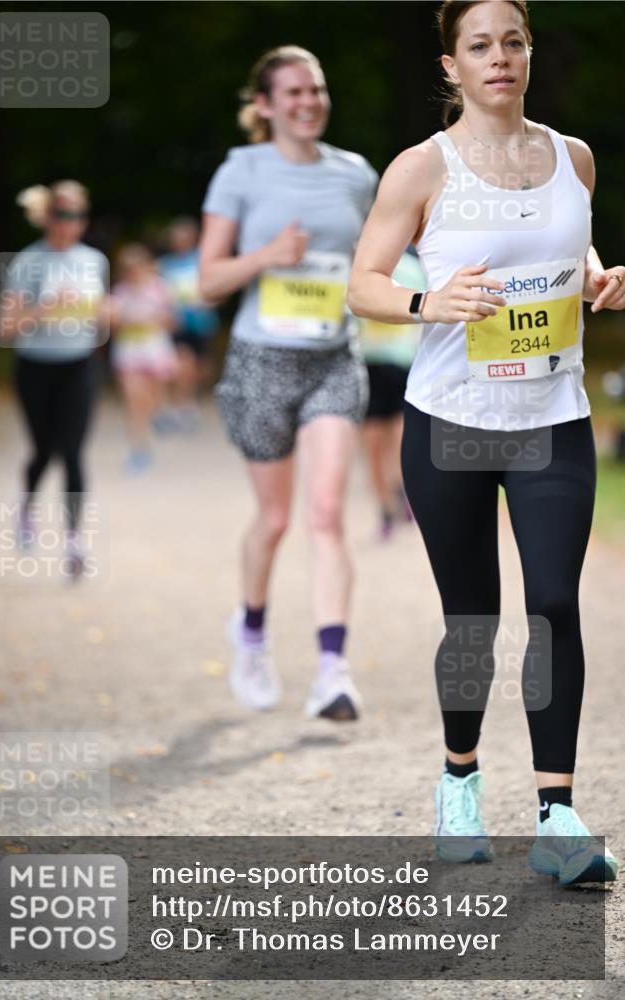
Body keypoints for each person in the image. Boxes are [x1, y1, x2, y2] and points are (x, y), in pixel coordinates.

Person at [348, 0, 623, 882]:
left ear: (528, 53)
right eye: (479, 45)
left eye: (513, 41)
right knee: (471, 616)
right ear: (451, 66)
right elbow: (363, 284)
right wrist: (430, 303)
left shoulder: (572, 157)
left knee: (552, 604)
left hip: (551, 419)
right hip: (451, 423)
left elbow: (563, 254)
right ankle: (458, 781)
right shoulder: (419, 170)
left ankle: (557, 816)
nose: (498, 57)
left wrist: (594, 279)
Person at [200, 45, 378, 721]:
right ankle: (249, 634)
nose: (307, 102)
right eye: (293, 92)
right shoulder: (240, 171)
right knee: (274, 519)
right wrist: (268, 256)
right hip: (261, 364)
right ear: (266, 105)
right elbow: (209, 279)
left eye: (316, 89)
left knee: (326, 513)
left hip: (333, 358)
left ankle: (333, 670)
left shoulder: (356, 174)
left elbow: (381, 254)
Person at [0, 180, 108, 576]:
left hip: (79, 365)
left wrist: (109, 313)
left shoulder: (94, 261)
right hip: (36, 367)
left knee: (74, 451)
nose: (70, 222)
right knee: (43, 451)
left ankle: (74, 541)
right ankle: (27, 506)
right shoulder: (27, 262)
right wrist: (47, 307)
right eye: (63, 213)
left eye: (78, 215)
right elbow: (7, 326)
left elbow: (100, 318)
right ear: (48, 216)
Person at [359, 250, 425, 538]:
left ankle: (393, 501)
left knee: (383, 444)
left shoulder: (371, 262)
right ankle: (394, 498)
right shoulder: (410, 267)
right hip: (384, 362)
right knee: (384, 442)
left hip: (387, 361)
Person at [108, 244, 179, 473]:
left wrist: (155, 319)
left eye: (137, 267)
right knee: (134, 401)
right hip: (129, 354)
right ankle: (138, 448)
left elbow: (173, 322)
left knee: (149, 400)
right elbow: (114, 326)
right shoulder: (119, 292)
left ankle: (159, 417)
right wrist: (123, 321)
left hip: (155, 352)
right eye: (128, 268)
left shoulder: (160, 289)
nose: (133, 272)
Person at [157, 217, 221, 432]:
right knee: (182, 365)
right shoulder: (165, 264)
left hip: (202, 323)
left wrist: (210, 300)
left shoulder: (202, 260)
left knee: (199, 368)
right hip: (177, 323)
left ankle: (190, 403)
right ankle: (179, 406)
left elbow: (217, 290)